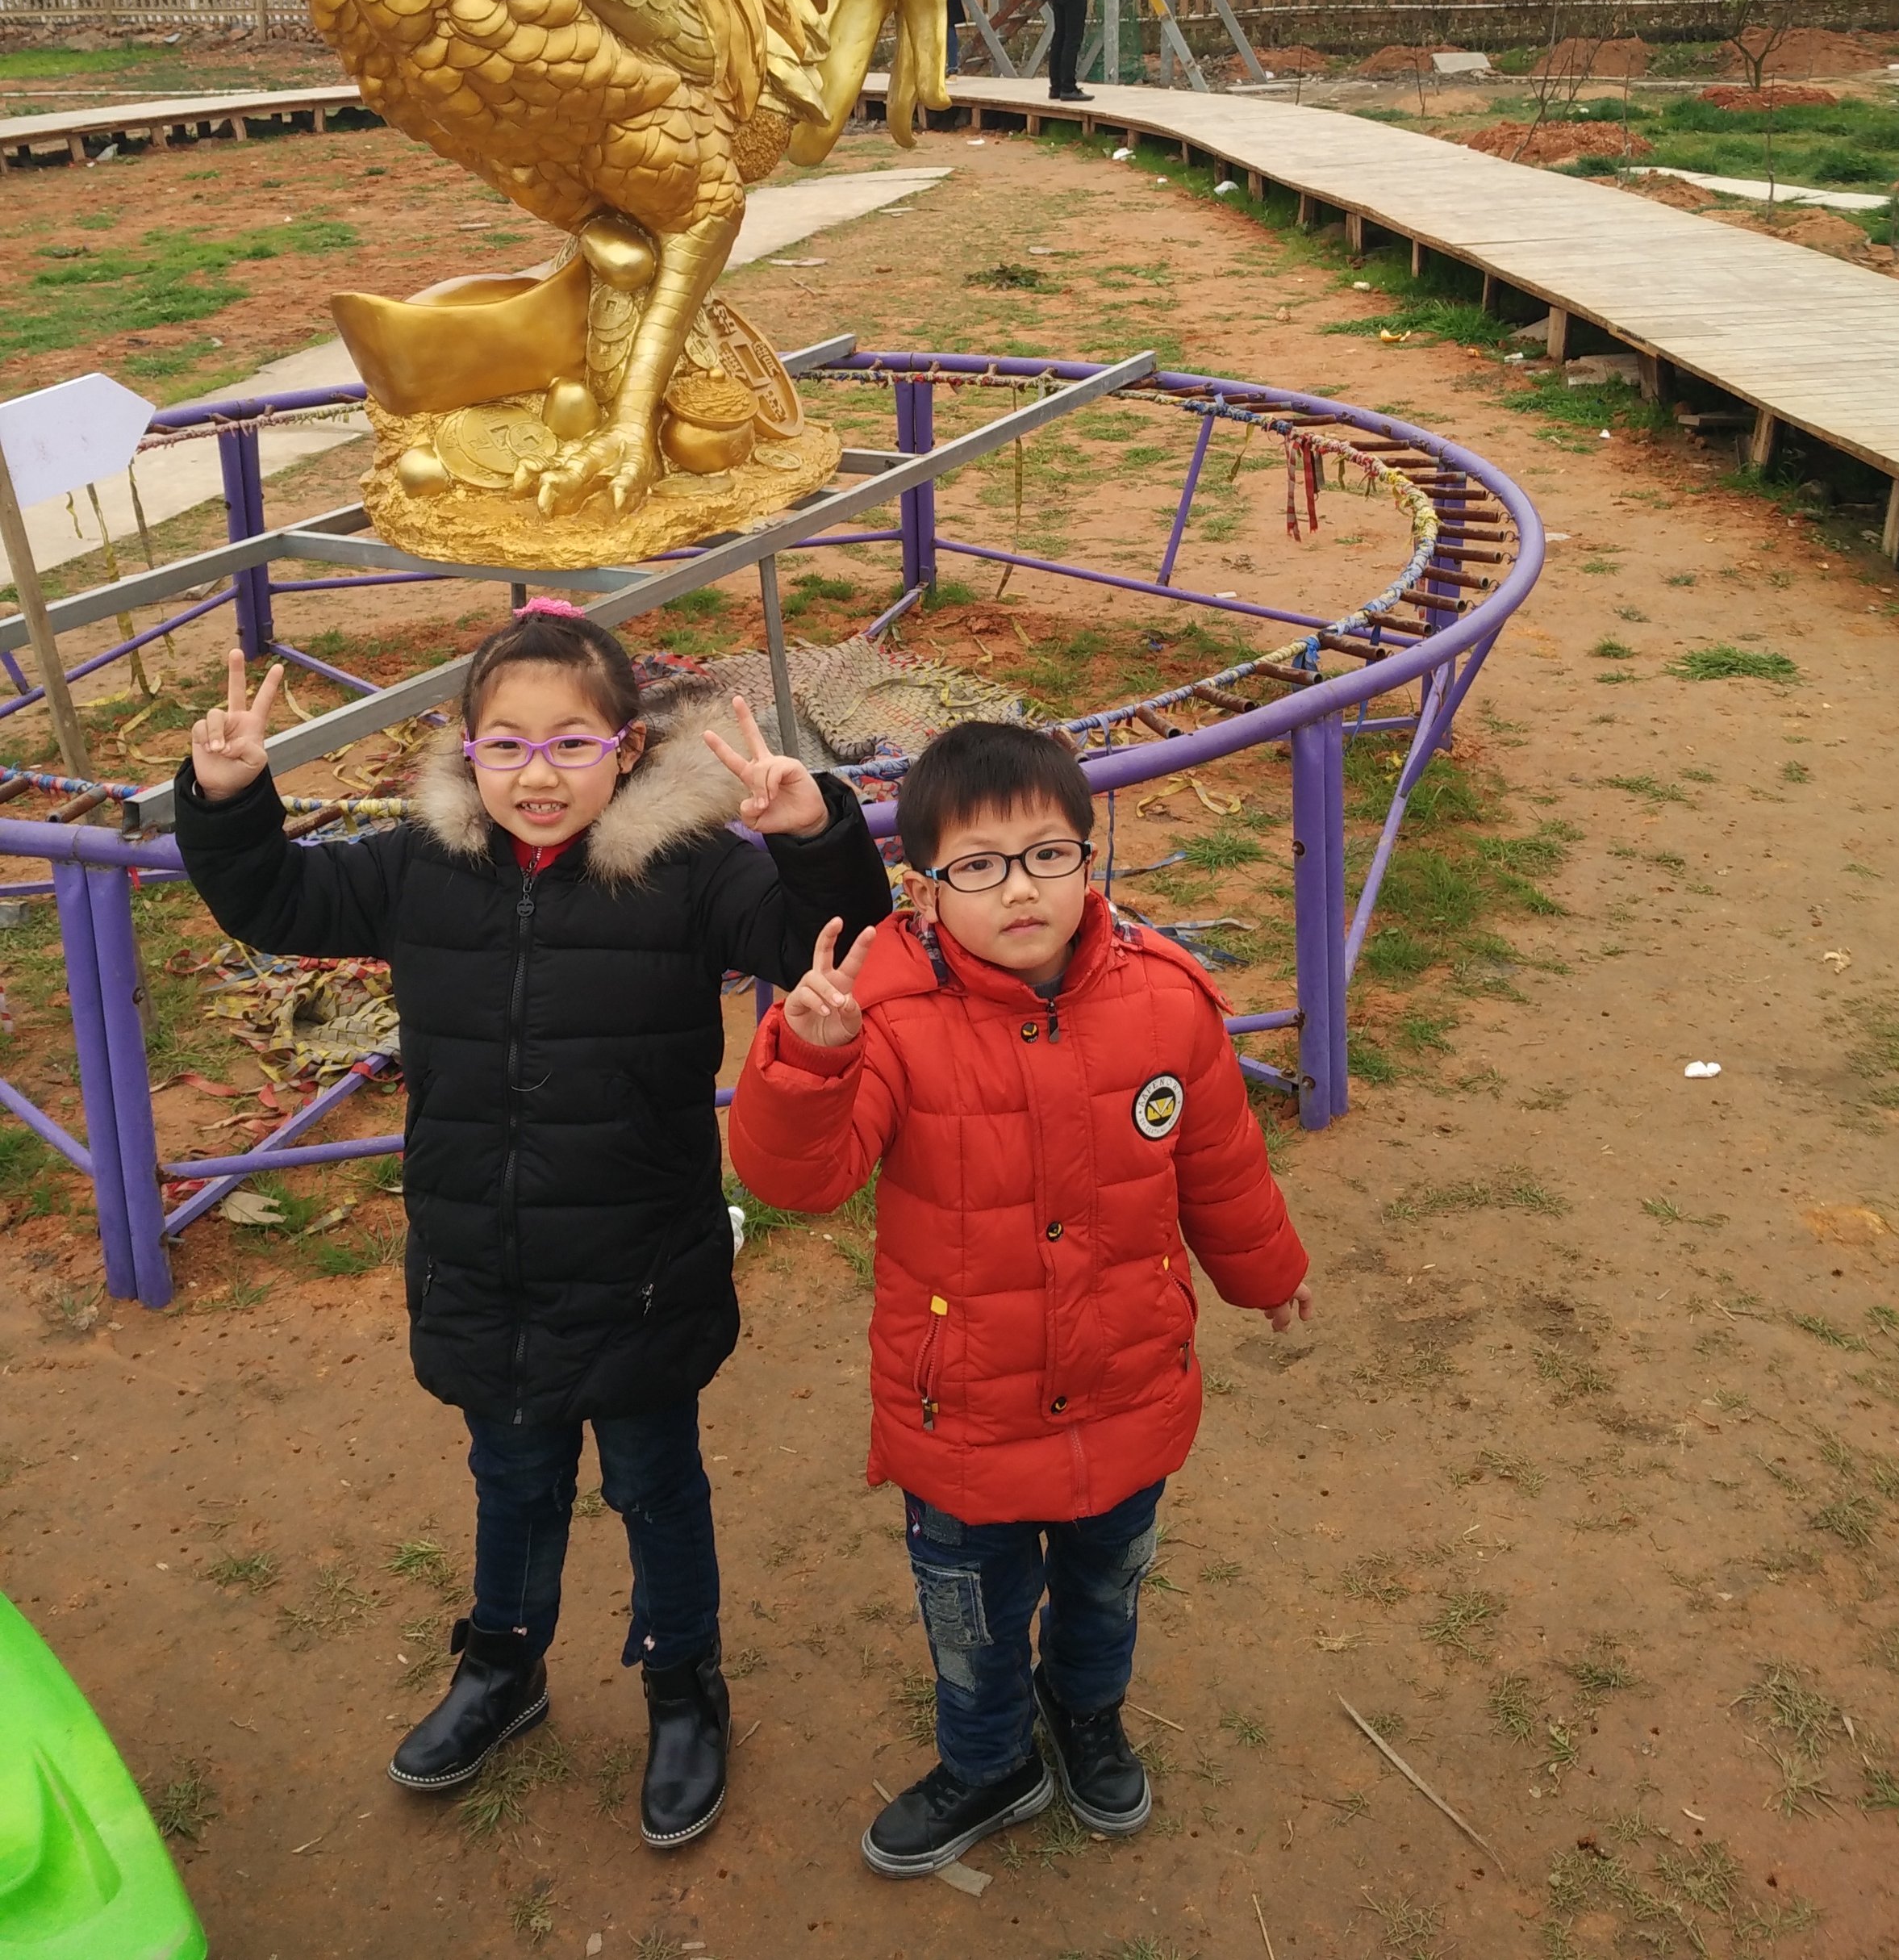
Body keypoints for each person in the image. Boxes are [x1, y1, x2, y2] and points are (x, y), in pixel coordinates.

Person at [172, 607, 893, 1853]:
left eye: (572, 743)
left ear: (628, 747)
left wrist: (813, 836)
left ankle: (685, 1688)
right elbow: (279, 899)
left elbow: (815, 938)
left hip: (641, 1267)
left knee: (657, 1485)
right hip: (485, 1261)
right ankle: (501, 1666)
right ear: (467, 750)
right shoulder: (420, 868)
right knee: (511, 1480)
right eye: (506, 744)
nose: (538, 774)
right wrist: (230, 799)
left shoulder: (691, 869)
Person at [728, 721, 1313, 1880]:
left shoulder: (1164, 999)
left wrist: (1267, 1272)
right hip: (965, 1413)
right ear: (923, 889)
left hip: (1127, 1386)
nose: (1021, 889)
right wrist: (810, 1060)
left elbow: (1220, 1163)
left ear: (1089, 859)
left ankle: (1086, 1716)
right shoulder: (884, 1010)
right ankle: (989, 1759)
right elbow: (803, 1179)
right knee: (971, 1618)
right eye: (980, 865)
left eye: (1049, 855)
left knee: (1107, 1590)